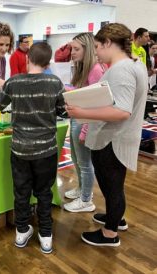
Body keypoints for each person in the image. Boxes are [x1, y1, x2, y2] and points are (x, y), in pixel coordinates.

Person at [66, 23, 148, 246]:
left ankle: (110, 233)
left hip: (113, 138)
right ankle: (116, 218)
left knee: (112, 186)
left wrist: (83, 112)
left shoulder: (121, 69)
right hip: (119, 136)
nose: (97, 52)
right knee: (114, 186)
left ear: (109, 43)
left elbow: (122, 110)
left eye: (98, 47)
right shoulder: (135, 63)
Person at [0, 42, 65, 254]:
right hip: (46, 150)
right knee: (44, 193)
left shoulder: (13, 82)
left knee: (21, 192)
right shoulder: (54, 82)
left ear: (27, 59)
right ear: (48, 61)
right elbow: (62, 111)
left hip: (20, 149)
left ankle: (22, 231)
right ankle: (46, 236)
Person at [63, 32, 105, 213]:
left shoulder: (95, 70)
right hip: (77, 119)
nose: (72, 52)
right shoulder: (82, 68)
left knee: (85, 163)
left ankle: (86, 199)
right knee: (76, 159)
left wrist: (85, 130)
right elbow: (82, 92)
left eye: (76, 49)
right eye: (72, 48)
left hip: (84, 122)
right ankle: (82, 190)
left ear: (87, 50)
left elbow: (95, 103)